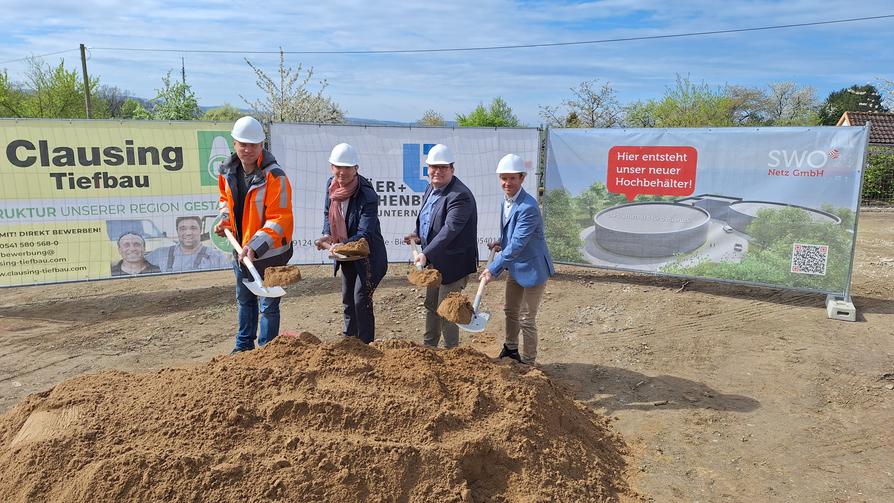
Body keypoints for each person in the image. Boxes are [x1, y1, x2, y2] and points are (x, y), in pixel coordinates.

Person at [213, 116, 294, 353]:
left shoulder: (275, 176)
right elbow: (224, 201)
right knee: (245, 301)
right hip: (241, 250)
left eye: (253, 145)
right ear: (234, 143)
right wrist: (225, 220)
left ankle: (266, 354)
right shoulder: (226, 171)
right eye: (243, 144)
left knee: (268, 305)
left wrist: (255, 246)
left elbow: (281, 218)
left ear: (262, 145)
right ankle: (242, 349)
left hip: (271, 254)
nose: (247, 149)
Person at [479, 154, 554, 365]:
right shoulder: (507, 201)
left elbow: (518, 244)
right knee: (510, 311)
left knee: (526, 319)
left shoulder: (528, 207)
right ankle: (511, 349)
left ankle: (529, 363)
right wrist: (501, 243)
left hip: (533, 269)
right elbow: (512, 238)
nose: (507, 183)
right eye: (503, 178)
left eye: (512, 178)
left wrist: (493, 269)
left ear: (522, 178)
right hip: (515, 266)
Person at [403, 144, 478, 349]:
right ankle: (429, 348)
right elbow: (429, 220)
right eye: (433, 167)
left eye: (443, 167)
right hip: (436, 262)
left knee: (448, 310)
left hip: (454, 263)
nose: (438, 171)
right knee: (431, 306)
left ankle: (451, 354)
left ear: (452, 169)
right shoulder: (431, 187)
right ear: (428, 169)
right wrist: (418, 236)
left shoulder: (459, 195)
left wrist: (426, 253)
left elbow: (449, 230)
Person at [315, 143, 388, 344]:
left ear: (356, 169)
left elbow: (365, 232)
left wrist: (338, 245)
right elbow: (326, 213)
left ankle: (365, 345)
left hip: (369, 258)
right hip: (347, 256)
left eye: (347, 167)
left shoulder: (367, 195)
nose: (342, 172)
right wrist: (327, 234)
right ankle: (349, 342)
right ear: (332, 167)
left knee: (360, 299)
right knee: (348, 299)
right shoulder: (331, 185)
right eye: (338, 167)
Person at [146, 216, 230, 272]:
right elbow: (137, 266)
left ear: (200, 230)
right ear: (177, 231)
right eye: (183, 229)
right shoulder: (160, 254)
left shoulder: (217, 257)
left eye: (193, 228)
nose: (188, 233)